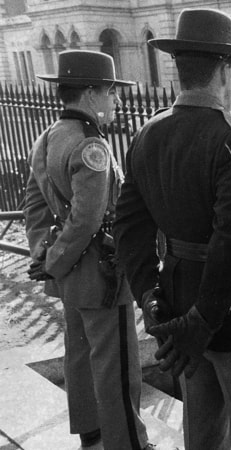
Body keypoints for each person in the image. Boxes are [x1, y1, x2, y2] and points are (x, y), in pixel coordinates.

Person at [113, 8, 231, 449]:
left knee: (201, 429)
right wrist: (203, 321)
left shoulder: (147, 134)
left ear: (180, 66)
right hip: (230, 308)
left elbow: (129, 229)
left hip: (176, 300)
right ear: (225, 67)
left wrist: (151, 299)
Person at [23, 50, 152, 450]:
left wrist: (44, 256)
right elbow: (87, 219)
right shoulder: (90, 146)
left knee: (79, 355)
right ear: (92, 92)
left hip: (70, 277)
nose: (115, 101)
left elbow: (34, 205)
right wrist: (57, 261)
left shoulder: (48, 137)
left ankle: (91, 431)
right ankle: (129, 443)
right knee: (116, 365)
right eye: (112, 92)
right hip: (101, 274)